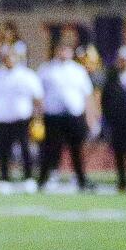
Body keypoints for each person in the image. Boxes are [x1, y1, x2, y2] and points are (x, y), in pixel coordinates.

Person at [0, 42, 43, 190]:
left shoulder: (26, 75)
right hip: (1, 120)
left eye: (12, 56)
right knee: (3, 150)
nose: (9, 60)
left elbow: (38, 97)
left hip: (22, 119)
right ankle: (4, 179)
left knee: (26, 149)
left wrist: (37, 118)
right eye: (6, 57)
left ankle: (28, 178)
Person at [37, 41, 96, 190]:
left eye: (67, 50)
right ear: (56, 51)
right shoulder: (47, 69)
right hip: (53, 116)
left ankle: (81, 180)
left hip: (74, 116)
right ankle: (43, 180)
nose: (64, 53)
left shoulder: (78, 70)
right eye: (61, 49)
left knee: (76, 149)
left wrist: (90, 117)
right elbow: (38, 93)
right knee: (50, 149)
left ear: (71, 52)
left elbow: (87, 95)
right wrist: (38, 112)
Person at [102, 47, 126, 193]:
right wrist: (109, 118)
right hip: (119, 121)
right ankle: (122, 182)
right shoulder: (112, 77)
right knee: (119, 152)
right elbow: (105, 99)